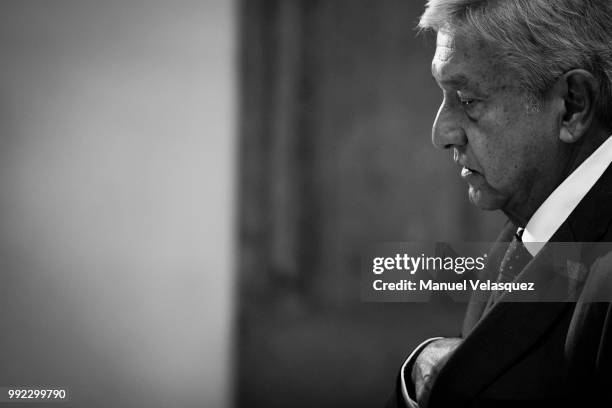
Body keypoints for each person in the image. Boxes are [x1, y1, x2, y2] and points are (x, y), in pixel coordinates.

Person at [386, 1, 612, 407]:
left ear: (572, 106)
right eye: (443, 96)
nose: (441, 133)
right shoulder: (525, 227)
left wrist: (430, 377)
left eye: (468, 100)